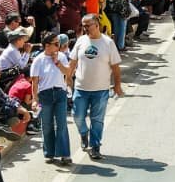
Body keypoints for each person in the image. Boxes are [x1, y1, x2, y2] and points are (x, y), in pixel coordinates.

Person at [70, 14, 122, 161]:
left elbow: (116, 67)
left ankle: (95, 146)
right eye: (83, 26)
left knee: (97, 119)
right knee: (77, 116)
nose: (85, 29)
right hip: (81, 88)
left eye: (88, 26)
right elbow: (72, 62)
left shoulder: (108, 43)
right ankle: (83, 133)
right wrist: (67, 78)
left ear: (97, 25)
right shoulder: (81, 41)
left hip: (101, 90)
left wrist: (117, 85)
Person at [31, 36, 73, 167]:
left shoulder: (61, 56)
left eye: (58, 43)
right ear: (47, 45)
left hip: (60, 93)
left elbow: (68, 72)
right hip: (45, 95)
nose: (58, 46)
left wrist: (57, 63)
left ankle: (65, 154)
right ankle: (49, 153)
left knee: (62, 124)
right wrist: (34, 99)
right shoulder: (38, 60)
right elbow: (34, 82)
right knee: (47, 125)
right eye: (55, 44)